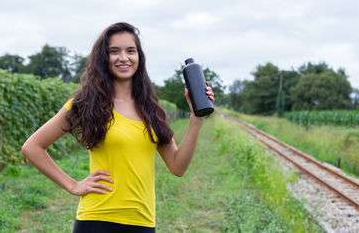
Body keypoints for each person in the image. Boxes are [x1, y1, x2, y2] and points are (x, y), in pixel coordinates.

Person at [21, 22, 214, 233]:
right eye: (114, 51)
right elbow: (32, 147)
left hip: (141, 221)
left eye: (130, 51)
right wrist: (73, 185)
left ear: (139, 57)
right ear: (104, 57)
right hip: (95, 220)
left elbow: (178, 167)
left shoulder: (152, 110)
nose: (123, 58)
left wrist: (196, 119)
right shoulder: (85, 103)